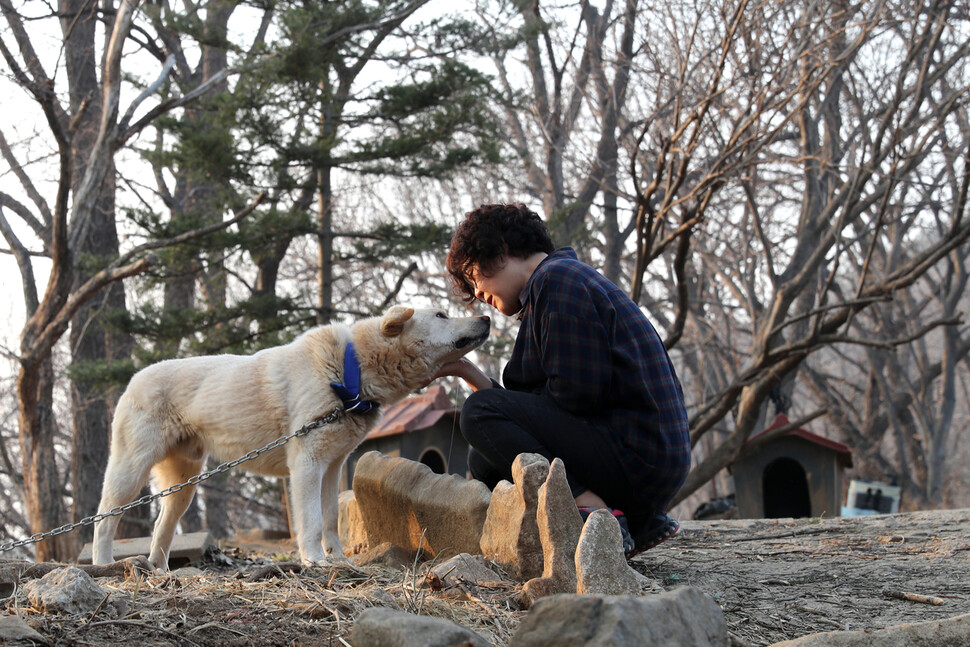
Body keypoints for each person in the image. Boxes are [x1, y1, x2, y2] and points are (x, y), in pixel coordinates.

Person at [434, 203, 691, 558]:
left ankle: (596, 512)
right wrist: (466, 371)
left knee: (478, 413)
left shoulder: (559, 281)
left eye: (474, 275)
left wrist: (492, 405)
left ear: (502, 249)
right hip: (636, 458)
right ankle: (612, 519)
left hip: (638, 457)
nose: (476, 292)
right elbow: (535, 415)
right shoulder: (554, 285)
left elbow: (575, 396)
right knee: (485, 459)